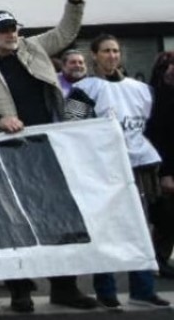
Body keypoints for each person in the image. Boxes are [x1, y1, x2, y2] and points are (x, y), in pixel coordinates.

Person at [0, 0, 96, 313]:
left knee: (59, 217)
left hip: (47, 145)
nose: (11, 35)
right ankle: (20, 291)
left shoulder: (33, 47)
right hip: (7, 151)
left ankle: (65, 287)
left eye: (14, 29)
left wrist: (74, 0)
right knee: (13, 220)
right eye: (4, 31)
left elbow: (65, 32)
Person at [72, 35, 169, 308]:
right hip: (101, 169)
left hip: (137, 168)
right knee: (106, 231)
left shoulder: (141, 89)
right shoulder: (82, 90)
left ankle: (142, 289)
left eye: (115, 51)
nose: (112, 56)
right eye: (106, 51)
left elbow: (150, 127)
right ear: (94, 55)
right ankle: (106, 290)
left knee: (140, 229)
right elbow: (71, 128)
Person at [148, 51, 174, 277]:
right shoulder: (158, 97)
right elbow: (158, 136)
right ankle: (158, 258)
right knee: (167, 216)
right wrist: (165, 172)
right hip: (166, 165)